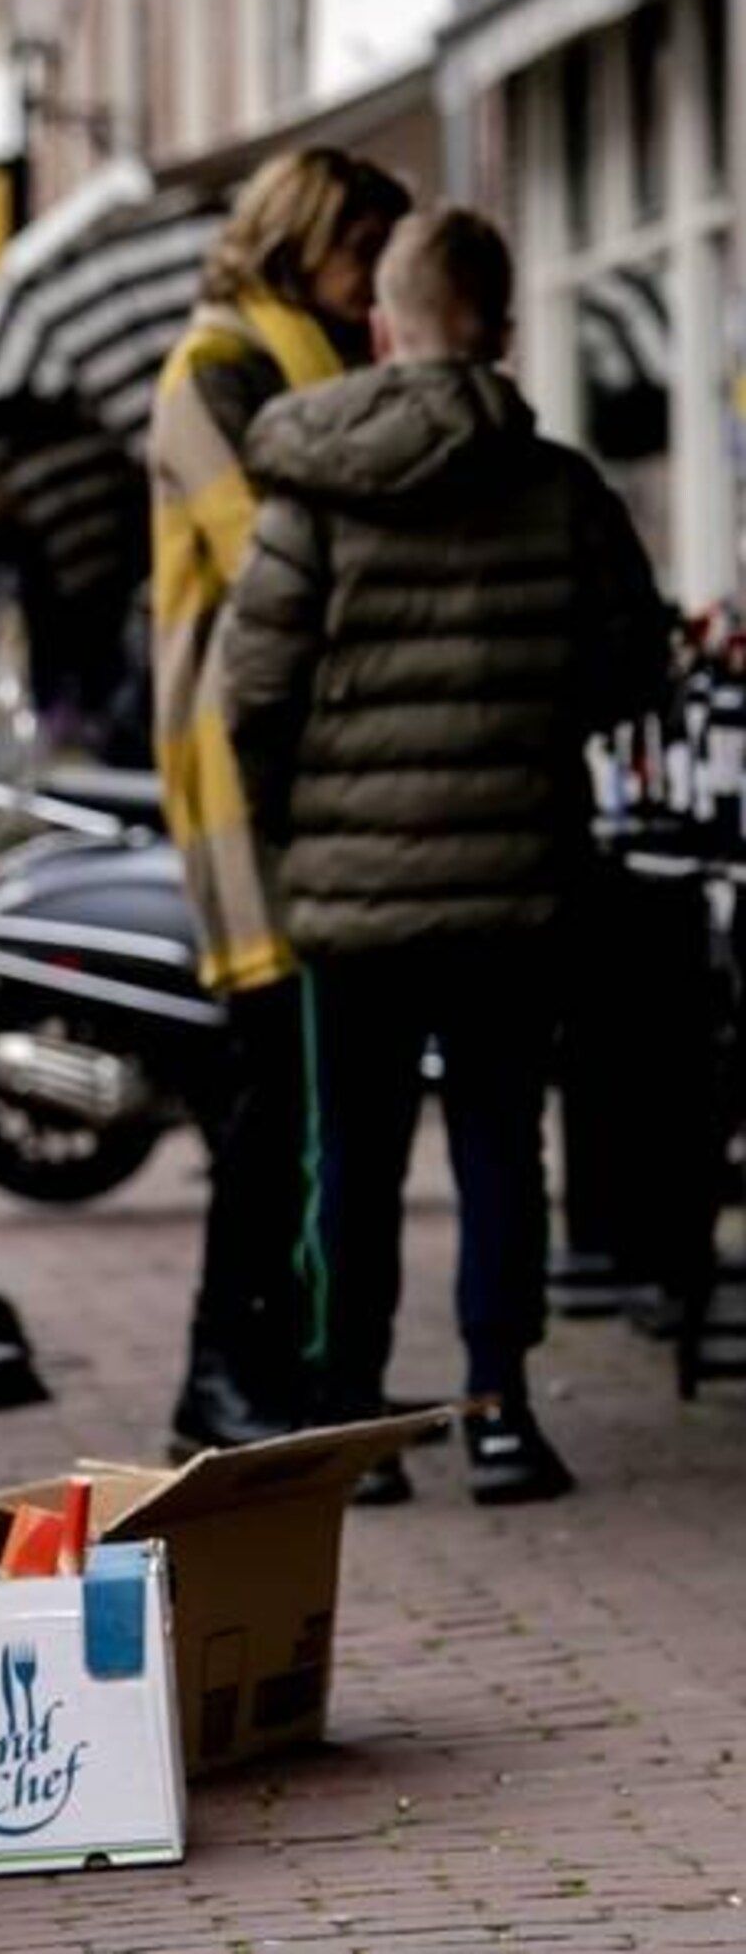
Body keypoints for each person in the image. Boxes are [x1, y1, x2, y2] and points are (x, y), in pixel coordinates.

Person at [221, 207, 669, 1503]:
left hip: (349, 897)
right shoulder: (563, 490)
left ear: (380, 327)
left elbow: (253, 690)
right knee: (499, 1145)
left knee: (352, 1155)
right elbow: (632, 669)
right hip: (517, 889)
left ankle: (350, 1420)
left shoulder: (309, 494)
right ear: (504, 328)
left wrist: (299, 825)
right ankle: (497, 1411)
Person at [148, 147, 411, 1453]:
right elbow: (265, 557)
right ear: (306, 237)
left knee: (326, 1085)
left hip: (332, 763)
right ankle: (218, 1376)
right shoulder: (217, 367)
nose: (377, 278)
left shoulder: (329, 365)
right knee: (272, 1083)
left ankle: (305, 1370)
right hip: (242, 763)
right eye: (365, 248)